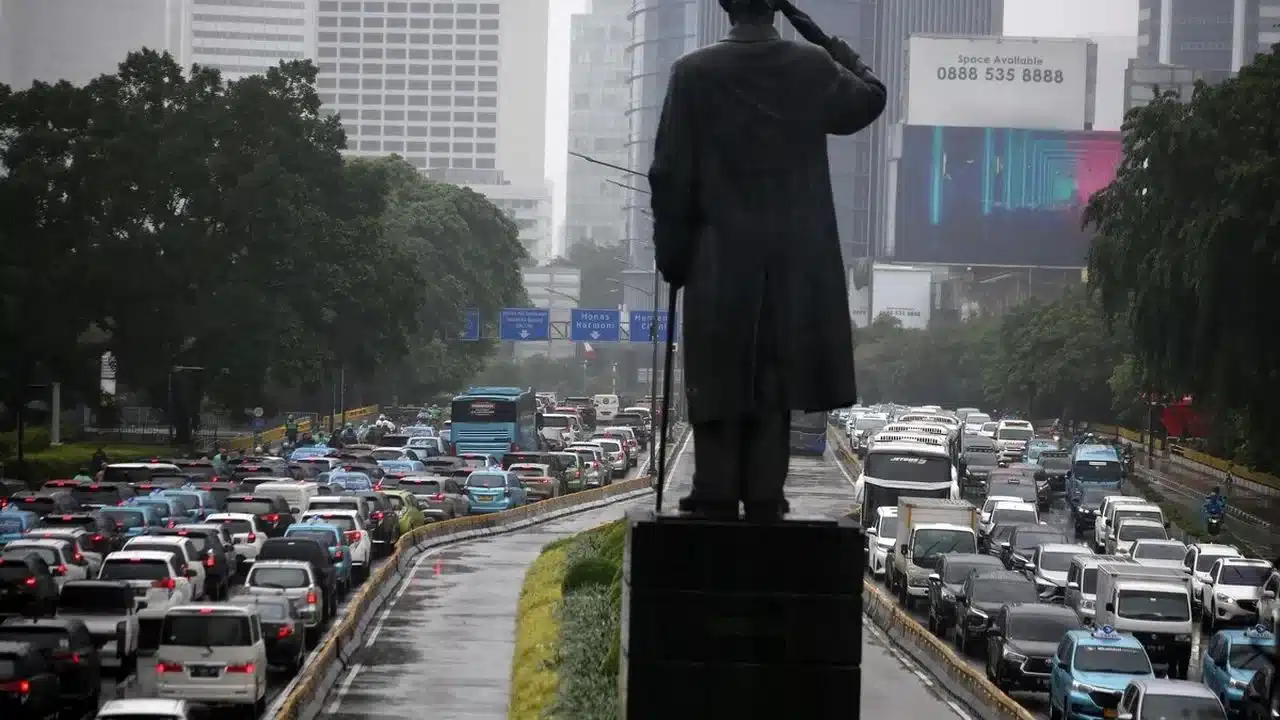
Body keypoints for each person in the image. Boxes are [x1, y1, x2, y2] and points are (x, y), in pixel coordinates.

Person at [649, 0, 885, 522]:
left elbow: (668, 172)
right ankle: (764, 493)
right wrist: (820, 36)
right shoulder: (809, 68)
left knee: (715, 376)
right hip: (791, 262)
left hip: (716, 255)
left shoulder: (692, 74)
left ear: (725, 5)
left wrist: (673, 255)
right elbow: (870, 96)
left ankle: (712, 490)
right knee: (774, 381)